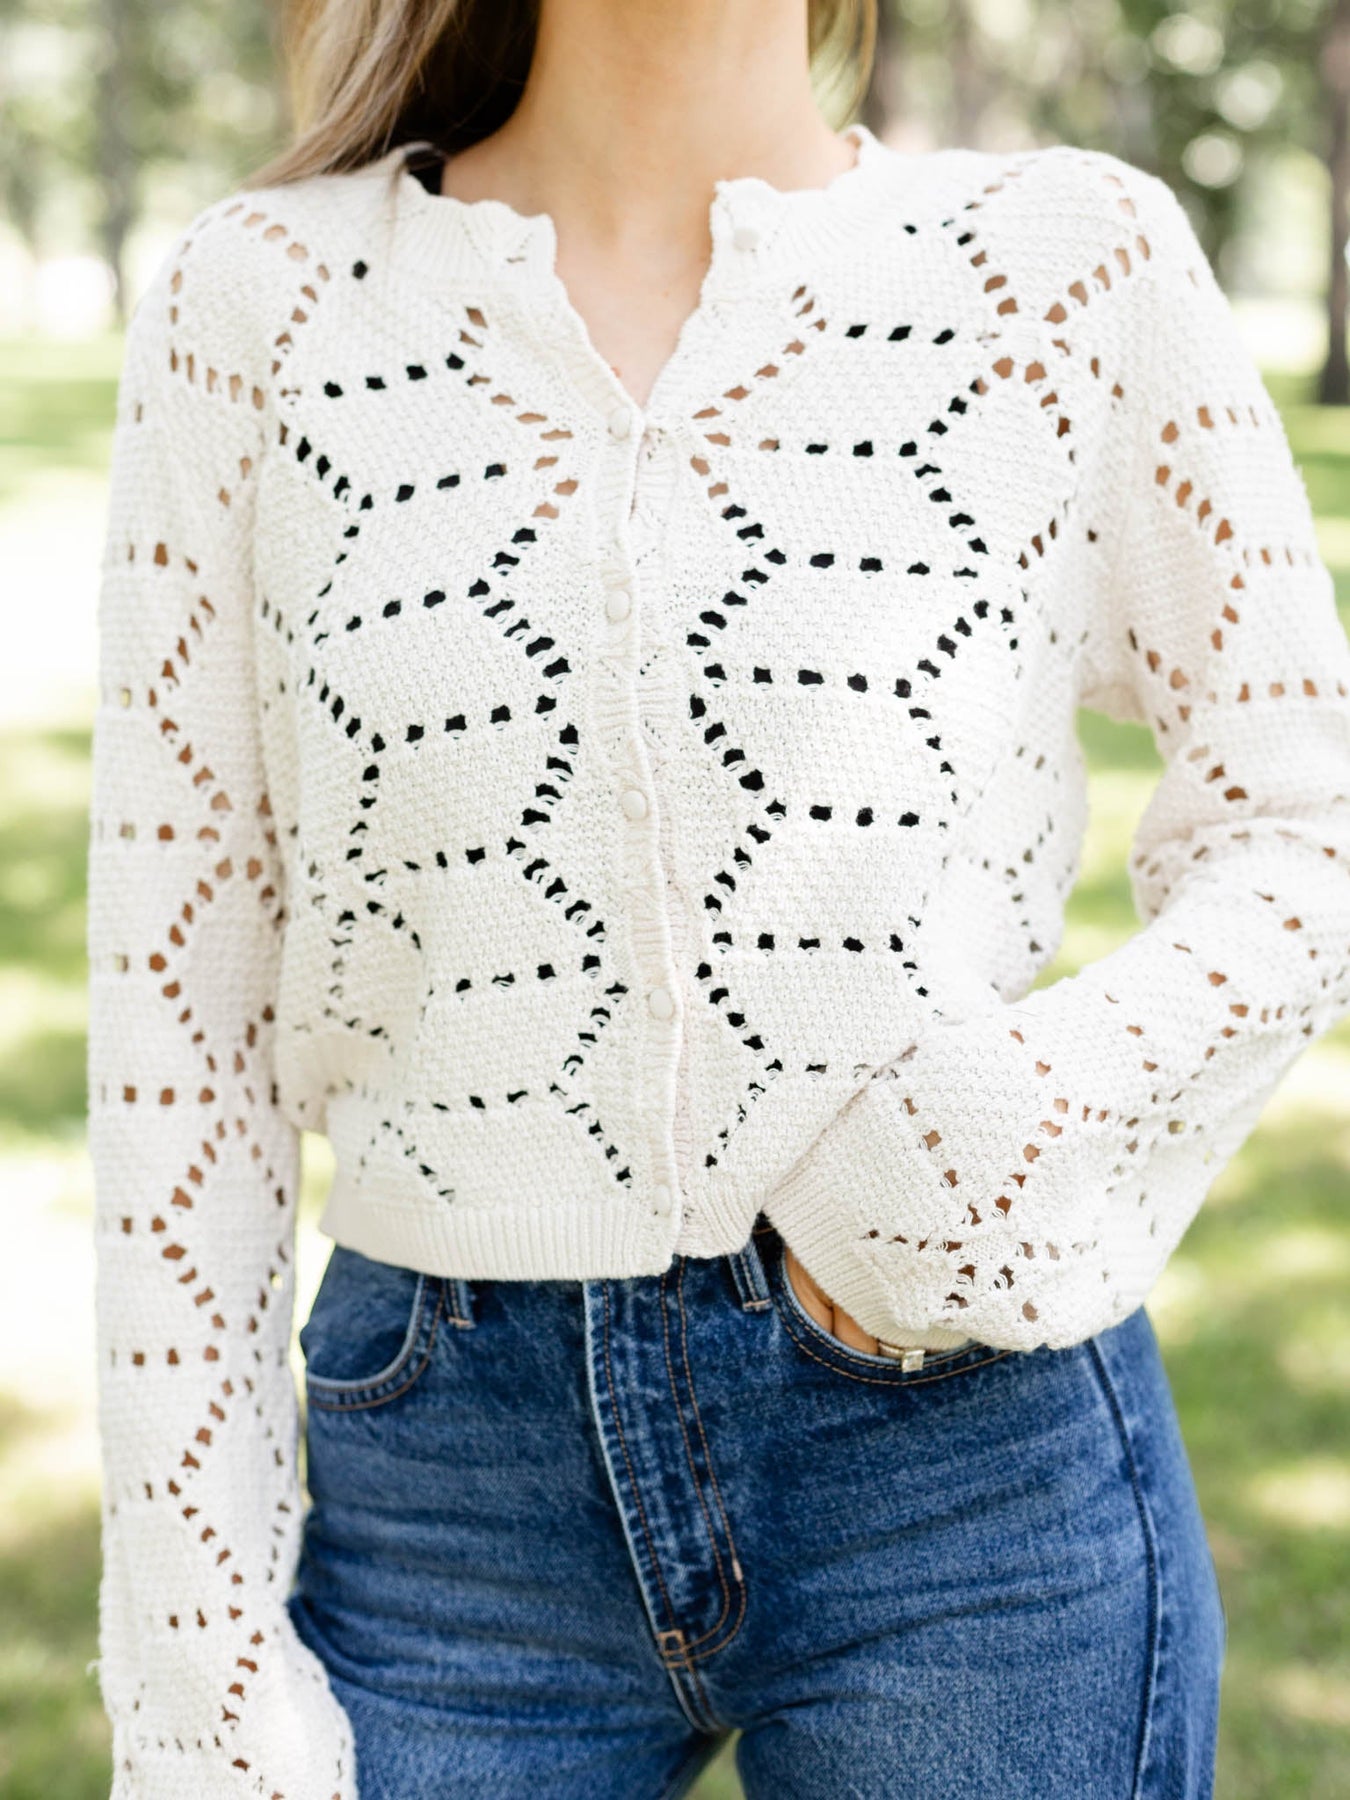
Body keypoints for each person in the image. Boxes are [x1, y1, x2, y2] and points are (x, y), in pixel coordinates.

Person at [84, 0, 1350, 1795]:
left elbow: (1305, 816)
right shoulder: (264, 307)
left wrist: (988, 1141)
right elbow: (179, 1030)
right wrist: (196, 1667)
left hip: (966, 1476)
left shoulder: (1068, 267)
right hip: (442, 1513)